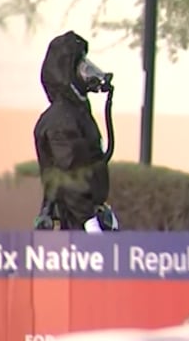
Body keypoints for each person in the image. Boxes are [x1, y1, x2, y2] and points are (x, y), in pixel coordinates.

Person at [33, 31, 118, 231]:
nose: (87, 70)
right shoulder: (61, 121)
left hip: (82, 219)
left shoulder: (77, 114)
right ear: (67, 72)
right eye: (80, 64)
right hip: (71, 224)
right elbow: (70, 175)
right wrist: (89, 222)